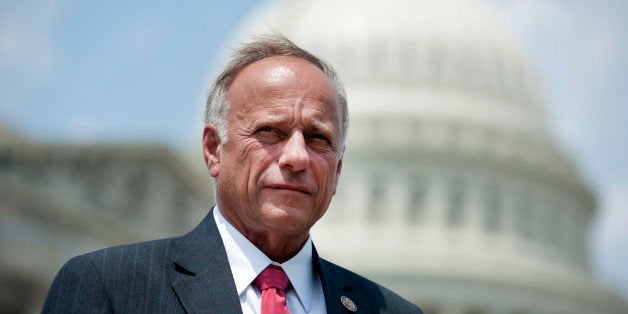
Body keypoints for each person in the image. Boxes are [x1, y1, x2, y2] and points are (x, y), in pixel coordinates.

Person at [43, 34, 422, 313]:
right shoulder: (109, 289)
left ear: (337, 171)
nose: (296, 157)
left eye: (317, 138)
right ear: (213, 150)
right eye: (269, 131)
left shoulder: (391, 311)